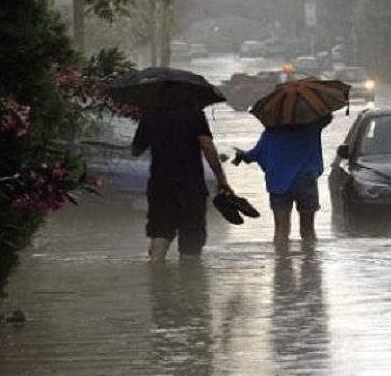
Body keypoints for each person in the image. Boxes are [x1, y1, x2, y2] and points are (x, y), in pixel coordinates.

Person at [131, 93, 231, 264]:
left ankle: (156, 277)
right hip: (191, 185)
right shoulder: (195, 116)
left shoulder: (150, 116)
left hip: (160, 184)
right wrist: (221, 179)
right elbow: (207, 146)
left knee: (160, 230)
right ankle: (189, 285)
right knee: (192, 236)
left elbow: (136, 151)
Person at [233, 115, 331, 246]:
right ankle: (311, 263)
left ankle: (281, 263)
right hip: (306, 182)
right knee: (308, 230)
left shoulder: (271, 132)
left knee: (281, 230)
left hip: (279, 185)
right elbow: (327, 118)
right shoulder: (311, 127)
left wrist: (241, 155)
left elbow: (253, 155)